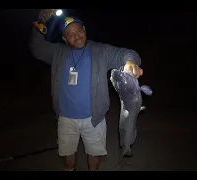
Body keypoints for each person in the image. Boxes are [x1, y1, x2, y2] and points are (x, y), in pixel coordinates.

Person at [29, 9, 144, 171]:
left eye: (79, 30)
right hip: (65, 119)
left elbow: (126, 54)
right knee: (67, 155)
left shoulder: (100, 51)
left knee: (94, 154)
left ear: (85, 30)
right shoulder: (58, 52)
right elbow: (37, 48)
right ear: (64, 38)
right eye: (71, 34)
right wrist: (40, 25)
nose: (77, 36)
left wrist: (130, 61)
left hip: (94, 119)